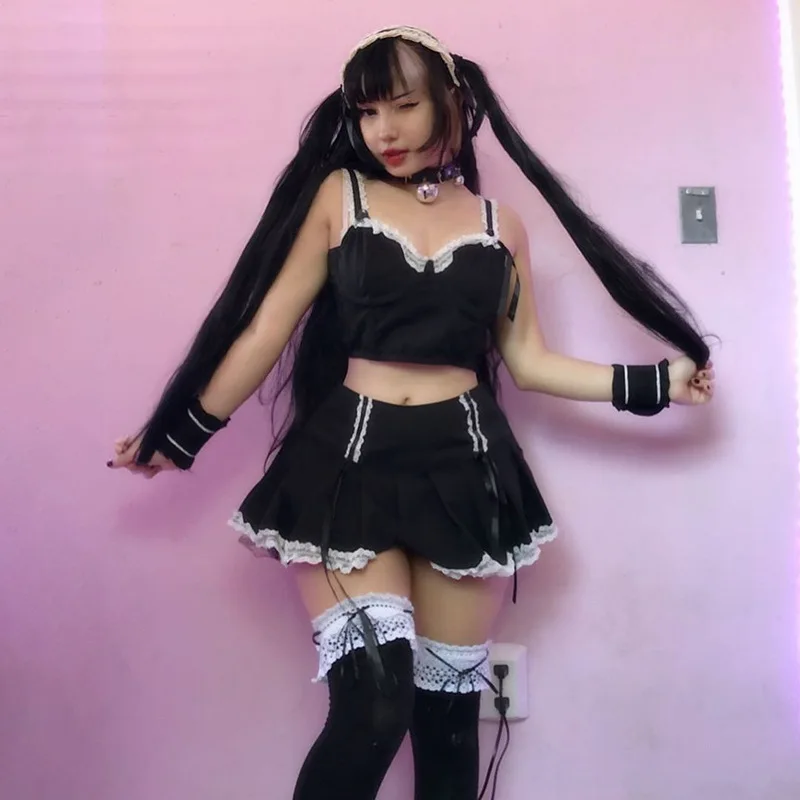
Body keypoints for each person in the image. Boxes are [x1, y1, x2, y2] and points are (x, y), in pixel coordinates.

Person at [108, 25, 714, 800]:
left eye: (402, 105)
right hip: (347, 468)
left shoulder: (499, 227)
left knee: (450, 727)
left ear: (450, 104)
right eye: (366, 112)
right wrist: (179, 434)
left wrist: (658, 383)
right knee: (372, 706)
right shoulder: (341, 198)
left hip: (467, 473)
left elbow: (530, 362)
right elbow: (265, 329)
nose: (383, 130)